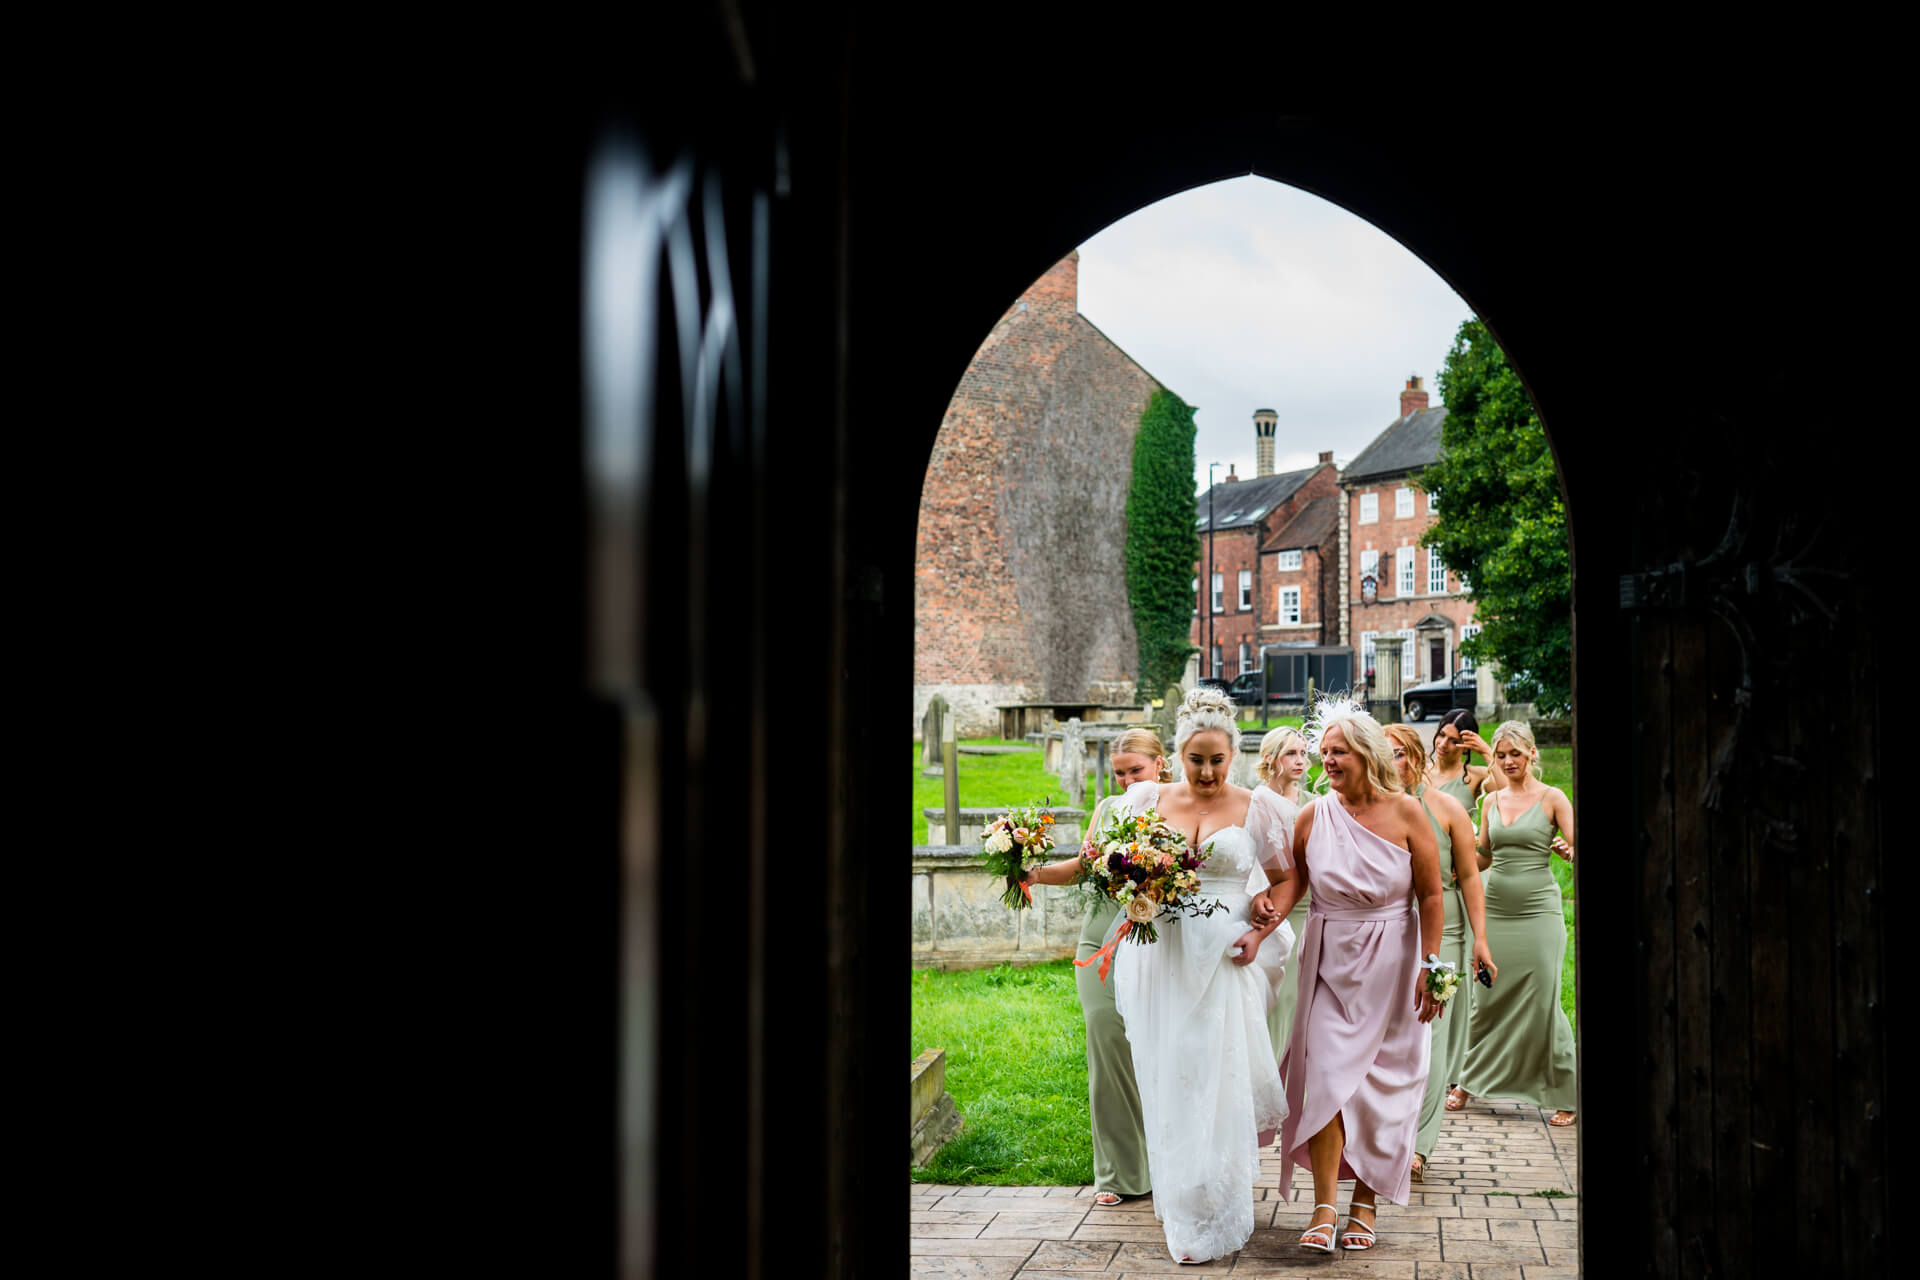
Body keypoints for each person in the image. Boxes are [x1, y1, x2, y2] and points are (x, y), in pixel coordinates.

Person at [1105, 686, 1294, 1264]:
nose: (1207, 771)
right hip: (1160, 958)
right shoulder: (1145, 800)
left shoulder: (1257, 806)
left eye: (1217, 759)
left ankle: (1220, 1204)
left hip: (1223, 964)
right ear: (1178, 754)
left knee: (1216, 1079)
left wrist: (1262, 926)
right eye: (1196, 759)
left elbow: (1286, 881)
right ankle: (1182, 1201)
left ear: (1231, 754)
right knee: (1169, 1074)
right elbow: (1105, 865)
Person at [1253, 700, 1444, 1254]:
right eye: (1325, 752)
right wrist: (1264, 915)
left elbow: (1431, 896)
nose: (1328, 760)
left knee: (1381, 1090)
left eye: (1338, 752)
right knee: (1330, 1082)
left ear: (1365, 754)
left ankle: (1365, 1202)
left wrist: (1431, 967)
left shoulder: (1409, 814)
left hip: (1394, 962)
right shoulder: (1314, 816)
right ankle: (1324, 1205)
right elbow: (1294, 885)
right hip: (1330, 962)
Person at [1021, 727, 1168, 1205]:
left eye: (1136, 771)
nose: (1126, 781)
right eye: (1119, 773)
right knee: (1107, 1047)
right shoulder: (1106, 810)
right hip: (1098, 940)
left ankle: (1168, 1162)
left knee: (1161, 1051)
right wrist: (1033, 874)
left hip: (1158, 939)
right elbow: (1082, 866)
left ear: (1160, 764)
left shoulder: (1179, 807)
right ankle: (1119, 1173)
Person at [1451, 720, 1578, 1125]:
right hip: (1496, 911)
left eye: (1515, 755)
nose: (1507, 762)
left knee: (1543, 1000)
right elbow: (1485, 856)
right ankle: (1469, 1080)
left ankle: (1564, 1092)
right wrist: (1459, 862)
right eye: (1501, 755)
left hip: (1540, 912)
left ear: (1532, 754)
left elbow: (1576, 844)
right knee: (1486, 999)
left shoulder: (1553, 798)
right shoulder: (1491, 800)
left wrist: (1569, 849)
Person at [1384, 722, 1495, 1181]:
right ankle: (1385, 1132)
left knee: (1435, 1040)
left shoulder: (1447, 808)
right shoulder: (1371, 811)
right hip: (1389, 931)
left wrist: (1480, 939)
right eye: (1382, 754)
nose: (1392, 764)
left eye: (1398, 754)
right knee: (1392, 1042)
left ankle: (1419, 1145)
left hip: (1445, 933)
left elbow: (1470, 874)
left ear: (1415, 756)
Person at [1254, 726, 1314, 1062]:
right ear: (1270, 757)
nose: (1300, 760)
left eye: (1303, 753)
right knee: (1272, 1000)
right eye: (1291, 753)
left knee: (1299, 1002)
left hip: (1309, 912)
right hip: (1270, 912)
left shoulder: (1314, 805)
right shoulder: (1254, 803)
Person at [1430, 708, 1491, 809]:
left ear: (1466, 747)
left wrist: (1486, 750)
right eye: (1441, 735)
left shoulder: (1477, 775)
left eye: (1453, 741)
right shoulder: (1419, 772)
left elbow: (1511, 791)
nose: (1443, 744)